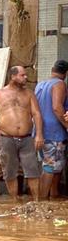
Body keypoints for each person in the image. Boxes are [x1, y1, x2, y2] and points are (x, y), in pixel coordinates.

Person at [0, 65, 44, 201]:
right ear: (13, 76)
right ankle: (14, 201)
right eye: (22, 75)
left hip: (27, 138)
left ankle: (36, 201)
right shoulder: (0, 94)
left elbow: (36, 114)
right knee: (9, 171)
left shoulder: (29, 94)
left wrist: (39, 134)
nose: (26, 77)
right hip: (6, 138)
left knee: (32, 170)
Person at [35, 60, 68, 198]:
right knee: (49, 166)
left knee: (53, 165)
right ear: (65, 74)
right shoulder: (60, 84)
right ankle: (42, 200)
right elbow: (56, 107)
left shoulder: (40, 85)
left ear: (52, 69)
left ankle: (53, 195)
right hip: (54, 132)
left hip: (42, 131)